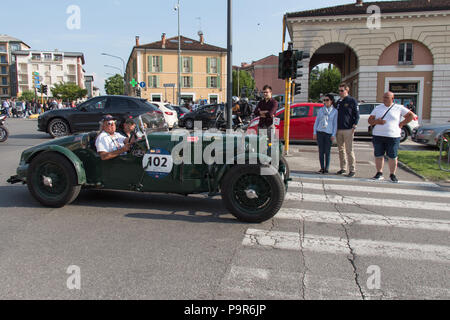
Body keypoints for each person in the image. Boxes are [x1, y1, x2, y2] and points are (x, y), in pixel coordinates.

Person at [368, 92, 415, 183]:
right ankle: (379, 173)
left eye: (387, 97)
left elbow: (410, 115)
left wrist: (402, 123)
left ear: (392, 99)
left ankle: (392, 174)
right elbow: (370, 120)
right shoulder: (378, 108)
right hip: (378, 135)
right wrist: (377, 121)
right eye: (384, 97)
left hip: (393, 136)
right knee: (378, 155)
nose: (384, 99)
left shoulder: (399, 108)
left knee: (392, 155)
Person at [335, 83, 360, 177]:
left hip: (348, 129)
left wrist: (355, 125)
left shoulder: (352, 100)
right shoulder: (339, 102)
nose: (340, 92)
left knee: (349, 150)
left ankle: (352, 169)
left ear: (347, 90)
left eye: (342, 90)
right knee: (341, 150)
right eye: (339, 91)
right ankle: (343, 168)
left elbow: (357, 114)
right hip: (339, 129)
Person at [313, 93, 338, 174]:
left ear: (331, 101)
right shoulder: (321, 110)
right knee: (321, 151)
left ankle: (326, 168)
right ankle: (322, 168)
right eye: (324, 100)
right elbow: (317, 121)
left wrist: (333, 134)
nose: (325, 102)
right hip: (320, 131)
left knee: (327, 151)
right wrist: (315, 132)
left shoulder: (334, 111)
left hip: (329, 133)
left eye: (327, 100)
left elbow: (335, 124)